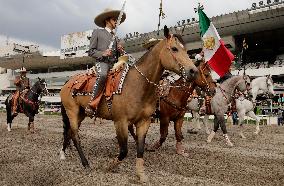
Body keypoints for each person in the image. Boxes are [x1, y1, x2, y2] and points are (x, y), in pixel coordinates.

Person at [85, 8, 126, 117]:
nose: (116, 22)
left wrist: (120, 50)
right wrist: (103, 53)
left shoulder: (116, 38)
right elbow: (91, 51)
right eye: (114, 20)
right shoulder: (97, 32)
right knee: (103, 75)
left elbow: (120, 54)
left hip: (114, 63)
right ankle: (91, 105)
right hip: (102, 63)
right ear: (107, 21)